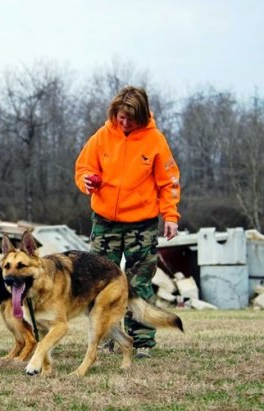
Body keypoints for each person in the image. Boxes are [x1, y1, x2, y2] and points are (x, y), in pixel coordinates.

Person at [74, 85, 180, 359]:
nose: (124, 122)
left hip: (141, 225)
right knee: (99, 283)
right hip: (105, 223)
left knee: (139, 283)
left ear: (142, 115)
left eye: (130, 118)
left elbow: (169, 182)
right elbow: (83, 167)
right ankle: (107, 338)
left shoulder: (155, 140)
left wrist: (170, 215)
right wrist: (86, 180)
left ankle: (142, 343)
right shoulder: (102, 136)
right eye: (120, 116)